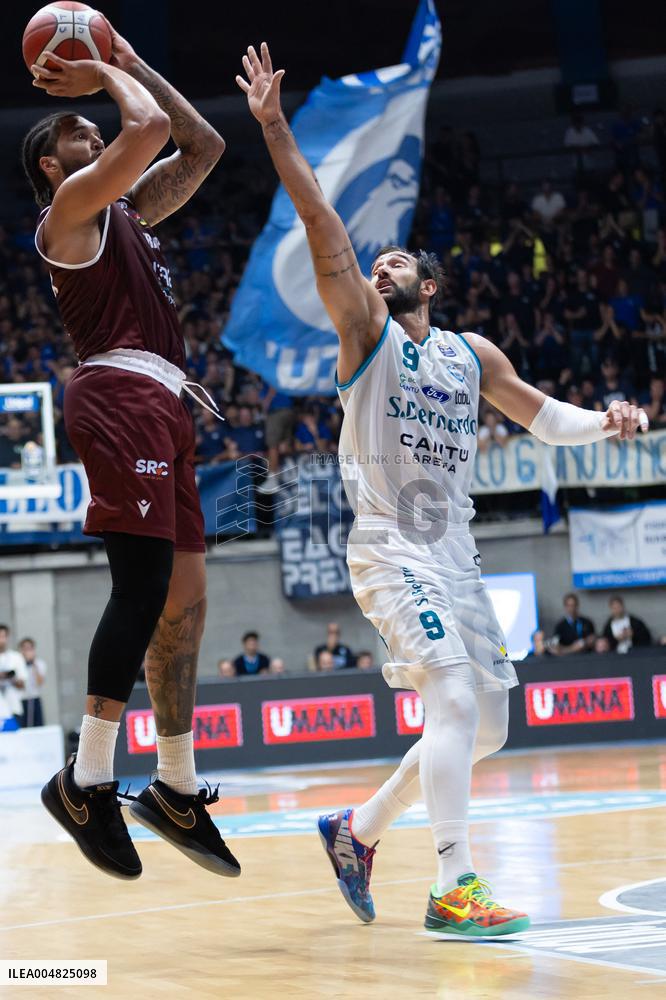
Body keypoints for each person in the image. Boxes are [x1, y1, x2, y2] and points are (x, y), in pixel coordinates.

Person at [238, 42, 648, 939]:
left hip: (457, 557)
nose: (377, 268)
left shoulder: (472, 354)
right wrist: (274, 128)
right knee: (453, 701)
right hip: (389, 548)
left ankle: (358, 829)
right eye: (372, 265)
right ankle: (453, 886)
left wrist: (608, 421)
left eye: (396, 265)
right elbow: (323, 230)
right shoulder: (365, 336)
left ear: (431, 284)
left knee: (487, 729)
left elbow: (545, 420)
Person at [26, 20, 239, 880]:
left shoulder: (128, 211)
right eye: (77, 133)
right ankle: (86, 779)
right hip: (115, 395)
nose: (94, 134)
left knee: (184, 596)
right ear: (50, 164)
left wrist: (128, 59)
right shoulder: (70, 210)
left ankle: (176, 786)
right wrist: (104, 66)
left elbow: (205, 144)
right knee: (143, 583)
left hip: (163, 397)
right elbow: (148, 131)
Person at [0, 625, 28, 726]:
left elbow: (22, 685)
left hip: (13, 708)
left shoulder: (16, 657)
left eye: (3, 636)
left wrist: (10, 678)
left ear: (7, 638)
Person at [17, 637, 47, 727]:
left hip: (34, 698)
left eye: (29, 648)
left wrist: (33, 663)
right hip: (22, 699)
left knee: (38, 725)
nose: (27, 651)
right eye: (25, 649)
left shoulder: (39, 664)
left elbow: (39, 682)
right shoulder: (17, 664)